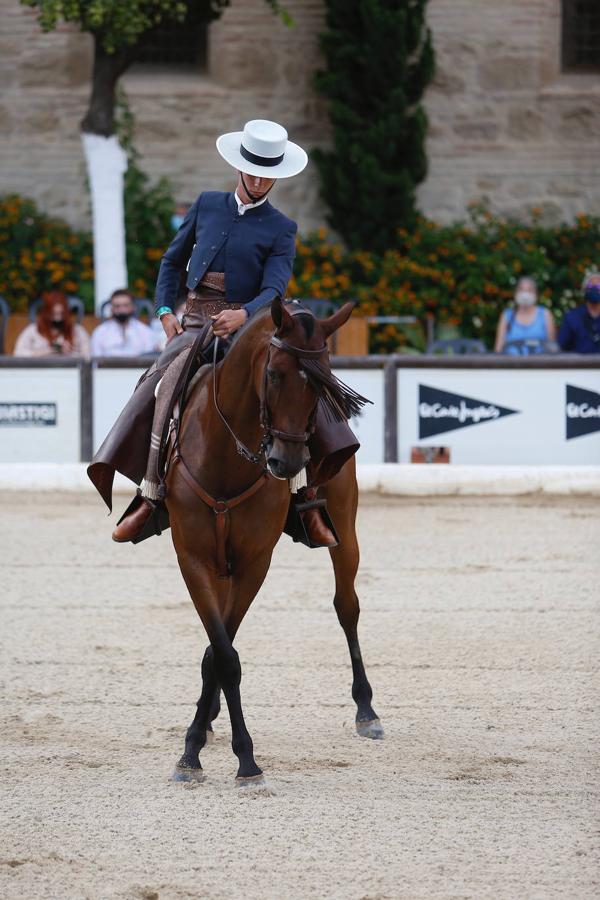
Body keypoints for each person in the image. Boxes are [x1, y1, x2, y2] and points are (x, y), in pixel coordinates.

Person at [88, 119, 359, 547]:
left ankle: (304, 499)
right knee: (160, 384)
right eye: (252, 170)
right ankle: (151, 494)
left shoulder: (282, 227)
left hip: (253, 326)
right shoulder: (207, 204)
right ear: (239, 167)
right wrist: (164, 311)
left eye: (267, 173)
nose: (258, 180)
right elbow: (171, 263)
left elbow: (275, 286)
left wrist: (245, 313)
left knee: (300, 382)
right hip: (194, 321)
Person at [14, 292, 90, 358]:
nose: (58, 318)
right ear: (46, 313)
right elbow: (18, 354)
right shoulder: (33, 331)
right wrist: (49, 350)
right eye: (54, 314)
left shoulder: (78, 331)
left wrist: (70, 353)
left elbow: (88, 357)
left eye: (61, 314)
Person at [494, 276, 556, 354]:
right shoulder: (507, 316)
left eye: (530, 290)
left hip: (539, 364)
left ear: (536, 294)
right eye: (521, 289)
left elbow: (552, 348)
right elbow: (498, 349)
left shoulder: (545, 314)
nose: (525, 294)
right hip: (511, 364)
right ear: (516, 293)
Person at [90, 289, 159, 357]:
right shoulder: (100, 332)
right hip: (108, 368)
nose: (121, 309)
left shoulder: (145, 331)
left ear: (133, 307)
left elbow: (148, 358)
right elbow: (96, 360)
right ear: (112, 309)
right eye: (117, 306)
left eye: (125, 305)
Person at [558, 272, 600, 354]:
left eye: (598, 286)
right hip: (578, 365)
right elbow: (562, 346)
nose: (594, 289)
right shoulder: (572, 317)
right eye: (590, 286)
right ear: (584, 290)